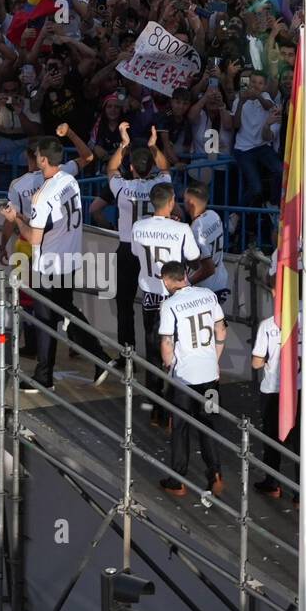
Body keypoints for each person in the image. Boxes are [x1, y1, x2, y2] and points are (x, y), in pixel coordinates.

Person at [1, 136, 112, 392]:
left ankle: (99, 358)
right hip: (68, 258)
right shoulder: (69, 179)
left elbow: (33, 238)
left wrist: (15, 217)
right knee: (61, 313)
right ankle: (49, 374)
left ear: (42, 159)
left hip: (49, 264)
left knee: (49, 318)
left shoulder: (41, 195)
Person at [131, 182, 202, 427]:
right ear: (171, 202)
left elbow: (134, 253)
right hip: (174, 298)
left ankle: (155, 410)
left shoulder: (138, 226)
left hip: (150, 297)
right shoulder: (181, 228)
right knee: (176, 355)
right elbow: (195, 260)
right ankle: (175, 410)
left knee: (153, 354)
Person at [157, 261, 227, 499]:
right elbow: (221, 330)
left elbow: (167, 343)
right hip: (210, 376)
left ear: (167, 280)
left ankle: (178, 480)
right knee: (208, 423)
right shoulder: (208, 295)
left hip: (185, 377)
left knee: (181, 426)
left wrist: (169, 367)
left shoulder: (170, 305)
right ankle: (215, 472)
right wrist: (214, 360)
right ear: (185, 275)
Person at [107, 122, 171, 358]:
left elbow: (111, 169)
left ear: (131, 167)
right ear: (151, 166)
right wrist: (154, 147)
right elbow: (166, 169)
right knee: (153, 306)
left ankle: (127, 354)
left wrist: (123, 144)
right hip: (151, 249)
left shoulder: (123, 188)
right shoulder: (159, 186)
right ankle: (155, 357)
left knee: (124, 305)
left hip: (127, 248)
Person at [251, 296, 306, 500]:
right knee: (301, 441)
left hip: (274, 390)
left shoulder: (267, 325)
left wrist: (268, 359)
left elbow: (256, 363)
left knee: (272, 438)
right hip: (300, 388)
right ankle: (301, 492)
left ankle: (272, 482)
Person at [184, 183, 229, 309]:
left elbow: (208, 268)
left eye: (185, 199)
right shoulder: (214, 215)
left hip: (205, 289)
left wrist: (186, 283)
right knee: (217, 325)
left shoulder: (195, 229)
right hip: (220, 283)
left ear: (190, 202)